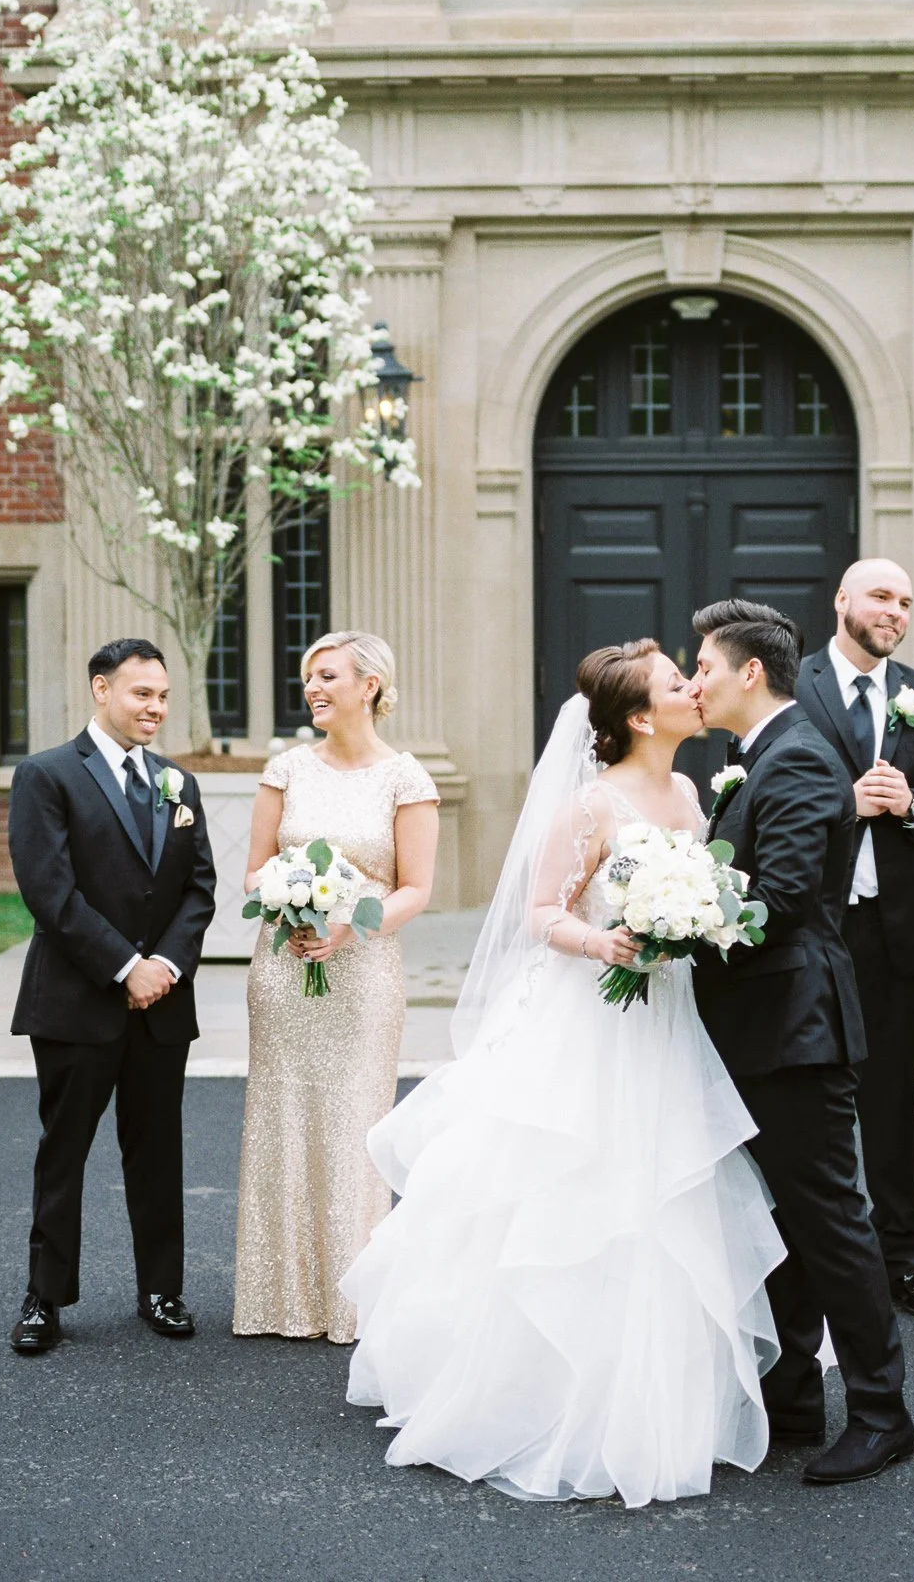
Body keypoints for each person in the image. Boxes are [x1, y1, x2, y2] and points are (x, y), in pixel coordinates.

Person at [342, 642, 784, 1509]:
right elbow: (543, 911)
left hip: (668, 1022)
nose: (694, 691)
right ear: (638, 719)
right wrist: (608, 941)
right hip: (592, 1020)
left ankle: (656, 1397)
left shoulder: (694, 793)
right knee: (575, 1193)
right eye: (673, 685)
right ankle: (531, 1392)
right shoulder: (590, 804)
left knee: (661, 1196)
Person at [691, 598, 914, 1488]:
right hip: (759, 1026)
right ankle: (790, 1395)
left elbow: (779, 901)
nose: (694, 680)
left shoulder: (800, 761)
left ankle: (881, 1412)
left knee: (830, 1221)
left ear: (751, 672)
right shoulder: (756, 758)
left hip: (797, 1028)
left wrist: (675, 922)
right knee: (780, 1218)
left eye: (703, 665)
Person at [6, 637, 217, 1354]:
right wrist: (126, 966)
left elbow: (199, 887)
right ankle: (44, 1299)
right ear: (102, 690)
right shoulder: (47, 776)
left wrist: (165, 964)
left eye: (162, 696)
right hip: (77, 1000)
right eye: (141, 694)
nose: (155, 707)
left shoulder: (178, 785)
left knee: (157, 1150)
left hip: (163, 1004)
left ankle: (160, 1289)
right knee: (63, 1153)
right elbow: (49, 891)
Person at [234, 631, 440, 1343]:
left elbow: (418, 888)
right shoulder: (285, 769)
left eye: (327, 677)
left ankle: (352, 1296)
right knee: (282, 1116)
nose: (313, 689)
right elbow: (255, 869)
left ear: (370, 685)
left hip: (364, 972)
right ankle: (276, 1295)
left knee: (354, 1122)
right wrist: (289, 897)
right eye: (307, 679)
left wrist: (351, 923)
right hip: (285, 968)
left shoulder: (406, 779)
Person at [796, 559, 914, 1321]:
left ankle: (903, 1262)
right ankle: (810, 1264)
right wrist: (843, 804)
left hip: (896, 938)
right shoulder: (790, 687)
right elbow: (748, 793)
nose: (895, 611)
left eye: (906, 601)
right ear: (841, 600)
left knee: (890, 1103)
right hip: (811, 930)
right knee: (810, 1102)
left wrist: (911, 804)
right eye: (881, 596)